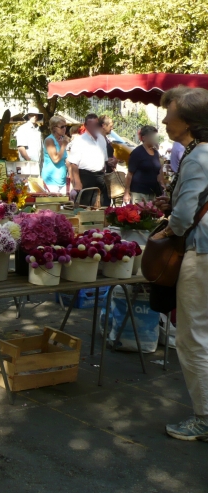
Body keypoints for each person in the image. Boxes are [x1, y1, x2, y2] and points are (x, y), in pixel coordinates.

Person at [148, 87, 208, 441]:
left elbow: (184, 215)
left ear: (187, 121)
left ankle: (203, 418)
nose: (165, 120)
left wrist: (168, 231)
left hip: (200, 254)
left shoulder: (198, 156)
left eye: (170, 113)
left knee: (193, 338)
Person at [66, 113, 110, 207]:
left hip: (100, 176)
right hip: (85, 176)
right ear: (86, 126)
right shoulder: (79, 141)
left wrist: (111, 162)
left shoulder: (102, 138)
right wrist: (77, 183)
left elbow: (105, 159)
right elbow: (74, 164)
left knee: (102, 205)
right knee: (85, 206)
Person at [123, 125, 165, 204]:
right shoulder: (137, 152)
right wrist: (126, 192)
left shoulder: (156, 153)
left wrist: (162, 185)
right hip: (139, 192)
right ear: (144, 137)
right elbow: (130, 174)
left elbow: (159, 172)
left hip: (153, 192)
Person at [41, 115, 70, 194]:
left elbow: (67, 160)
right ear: (54, 128)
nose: (64, 129)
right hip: (51, 181)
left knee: (64, 205)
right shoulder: (49, 140)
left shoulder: (63, 139)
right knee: (52, 205)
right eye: (62, 127)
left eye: (65, 126)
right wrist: (64, 145)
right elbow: (56, 159)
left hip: (62, 180)